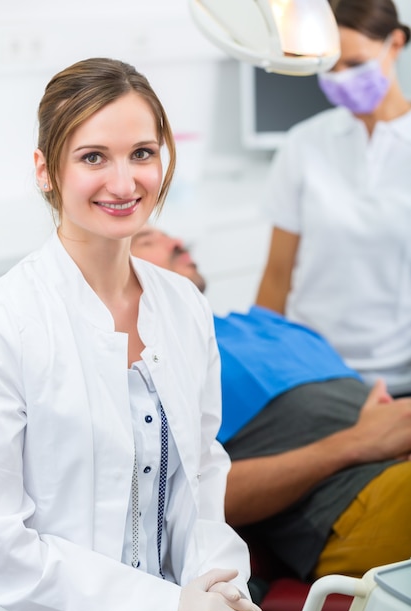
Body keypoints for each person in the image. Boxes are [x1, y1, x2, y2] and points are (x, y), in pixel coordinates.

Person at [0, 58, 265, 611]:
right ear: (45, 170)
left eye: (142, 153)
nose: (125, 183)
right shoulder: (8, 321)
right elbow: (2, 551)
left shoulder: (184, 304)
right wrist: (169, 609)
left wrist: (219, 590)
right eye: (93, 157)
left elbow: (203, 474)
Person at [130, 225, 411, 582]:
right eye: (148, 240)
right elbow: (188, 497)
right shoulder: (148, 363)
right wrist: (357, 443)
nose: (177, 241)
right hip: (352, 501)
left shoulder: (265, 323)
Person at [256, 0, 411, 397]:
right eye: (331, 66)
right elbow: (277, 275)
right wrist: (262, 364)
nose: (341, 78)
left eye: (355, 63)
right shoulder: (304, 143)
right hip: (312, 371)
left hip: (398, 379)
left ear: (394, 44)